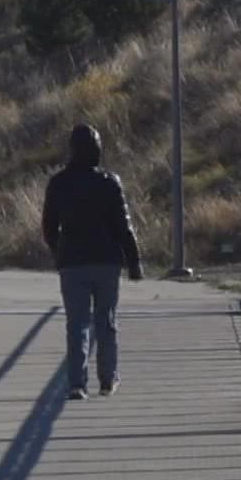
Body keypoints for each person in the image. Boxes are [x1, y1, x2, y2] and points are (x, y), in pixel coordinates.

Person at [42, 124, 144, 401]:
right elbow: (123, 226)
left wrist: (59, 250)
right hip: (106, 261)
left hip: (72, 262)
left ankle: (77, 383)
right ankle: (108, 379)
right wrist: (134, 261)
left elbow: (48, 227)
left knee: (77, 324)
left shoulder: (59, 183)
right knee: (106, 321)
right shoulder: (109, 182)